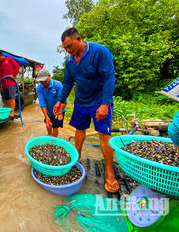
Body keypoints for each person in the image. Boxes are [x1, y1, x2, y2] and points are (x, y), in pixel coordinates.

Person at [53, 28, 118, 193]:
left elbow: (109, 77)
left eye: (69, 46)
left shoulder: (99, 52)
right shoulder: (70, 62)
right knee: (79, 130)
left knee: (104, 134)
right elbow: (68, 82)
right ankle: (77, 157)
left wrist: (105, 103)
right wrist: (61, 101)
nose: (68, 50)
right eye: (65, 48)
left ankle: (109, 172)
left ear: (78, 38)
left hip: (99, 102)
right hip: (81, 102)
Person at [36, 68, 66, 137]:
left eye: (44, 80)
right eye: (41, 81)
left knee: (55, 126)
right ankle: (49, 136)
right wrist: (46, 116)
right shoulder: (39, 88)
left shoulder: (57, 85)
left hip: (59, 109)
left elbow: (63, 100)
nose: (43, 83)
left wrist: (60, 111)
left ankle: (52, 143)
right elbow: (42, 103)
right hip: (49, 110)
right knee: (48, 124)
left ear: (49, 76)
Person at [0, 50, 21, 120]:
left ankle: (12, 112)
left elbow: (17, 67)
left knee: (12, 97)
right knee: (7, 99)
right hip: (4, 83)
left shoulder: (9, 59)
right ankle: (9, 112)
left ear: (0, 55)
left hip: (11, 82)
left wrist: (13, 75)